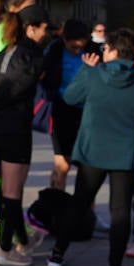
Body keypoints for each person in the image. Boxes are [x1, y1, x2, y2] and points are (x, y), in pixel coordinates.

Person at [46, 28, 134, 266]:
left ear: (111, 50)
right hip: (127, 155)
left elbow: (69, 97)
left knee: (78, 203)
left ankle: (57, 254)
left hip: (92, 151)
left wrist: (86, 70)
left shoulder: (93, 75)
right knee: (120, 210)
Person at [0, 3, 51, 266]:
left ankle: (22, 242)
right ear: (31, 28)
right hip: (15, 129)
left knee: (7, 190)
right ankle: (4, 250)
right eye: (43, 29)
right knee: (13, 192)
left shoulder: (4, 53)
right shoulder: (33, 56)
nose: (45, 33)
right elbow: (21, 88)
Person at [42, 18, 91, 191]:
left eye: (81, 46)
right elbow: (46, 81)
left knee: (87, 167)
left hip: (86, 113)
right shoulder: (54, 52)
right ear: (64, 40)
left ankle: (85, 212)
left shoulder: (94, 51)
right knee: (62, 165)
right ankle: (55, 204)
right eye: (73, 47)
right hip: (61, 111)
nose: (78, 51)